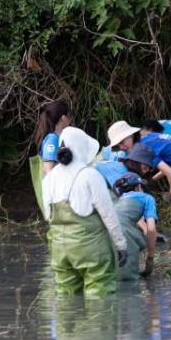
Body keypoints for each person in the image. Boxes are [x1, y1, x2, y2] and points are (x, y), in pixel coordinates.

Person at [41, 127, 128, 296]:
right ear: (81, 147)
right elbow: (108, 214)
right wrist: (121, 244)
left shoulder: (48, 179)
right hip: (91, 250)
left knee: (66, 298)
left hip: (59, 250)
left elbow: (47, 216)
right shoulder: (90, 175)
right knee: (100, 297)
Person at [112, 172, 156, 280]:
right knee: (129, 283)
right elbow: (151, 229)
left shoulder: (118, 201)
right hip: (123, 236)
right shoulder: (147, 198)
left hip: (105, 235)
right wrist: (150, 257)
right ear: (139, 186)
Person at [31, 100, 73, 211]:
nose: (70, 119)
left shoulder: (58, 137)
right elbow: (48, 169)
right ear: (63, 118)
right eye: (69, 116)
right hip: (55, 193)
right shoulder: (53, 139)